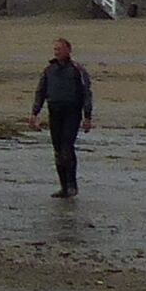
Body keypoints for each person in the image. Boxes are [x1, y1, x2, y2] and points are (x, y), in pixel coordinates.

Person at [25, 34, 94, 198]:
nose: (56, 52)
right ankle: (63, 187)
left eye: (59, 49)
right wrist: (34, 113)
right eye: (55, 49)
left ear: (68, 50)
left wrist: (87, 116)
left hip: (72, 112)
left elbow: (86, 93)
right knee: (57, 151)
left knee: (67, 148)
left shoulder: (77, 70)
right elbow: (40, 92)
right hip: (54, 112)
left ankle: (72, 185)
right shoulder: (49, 70)